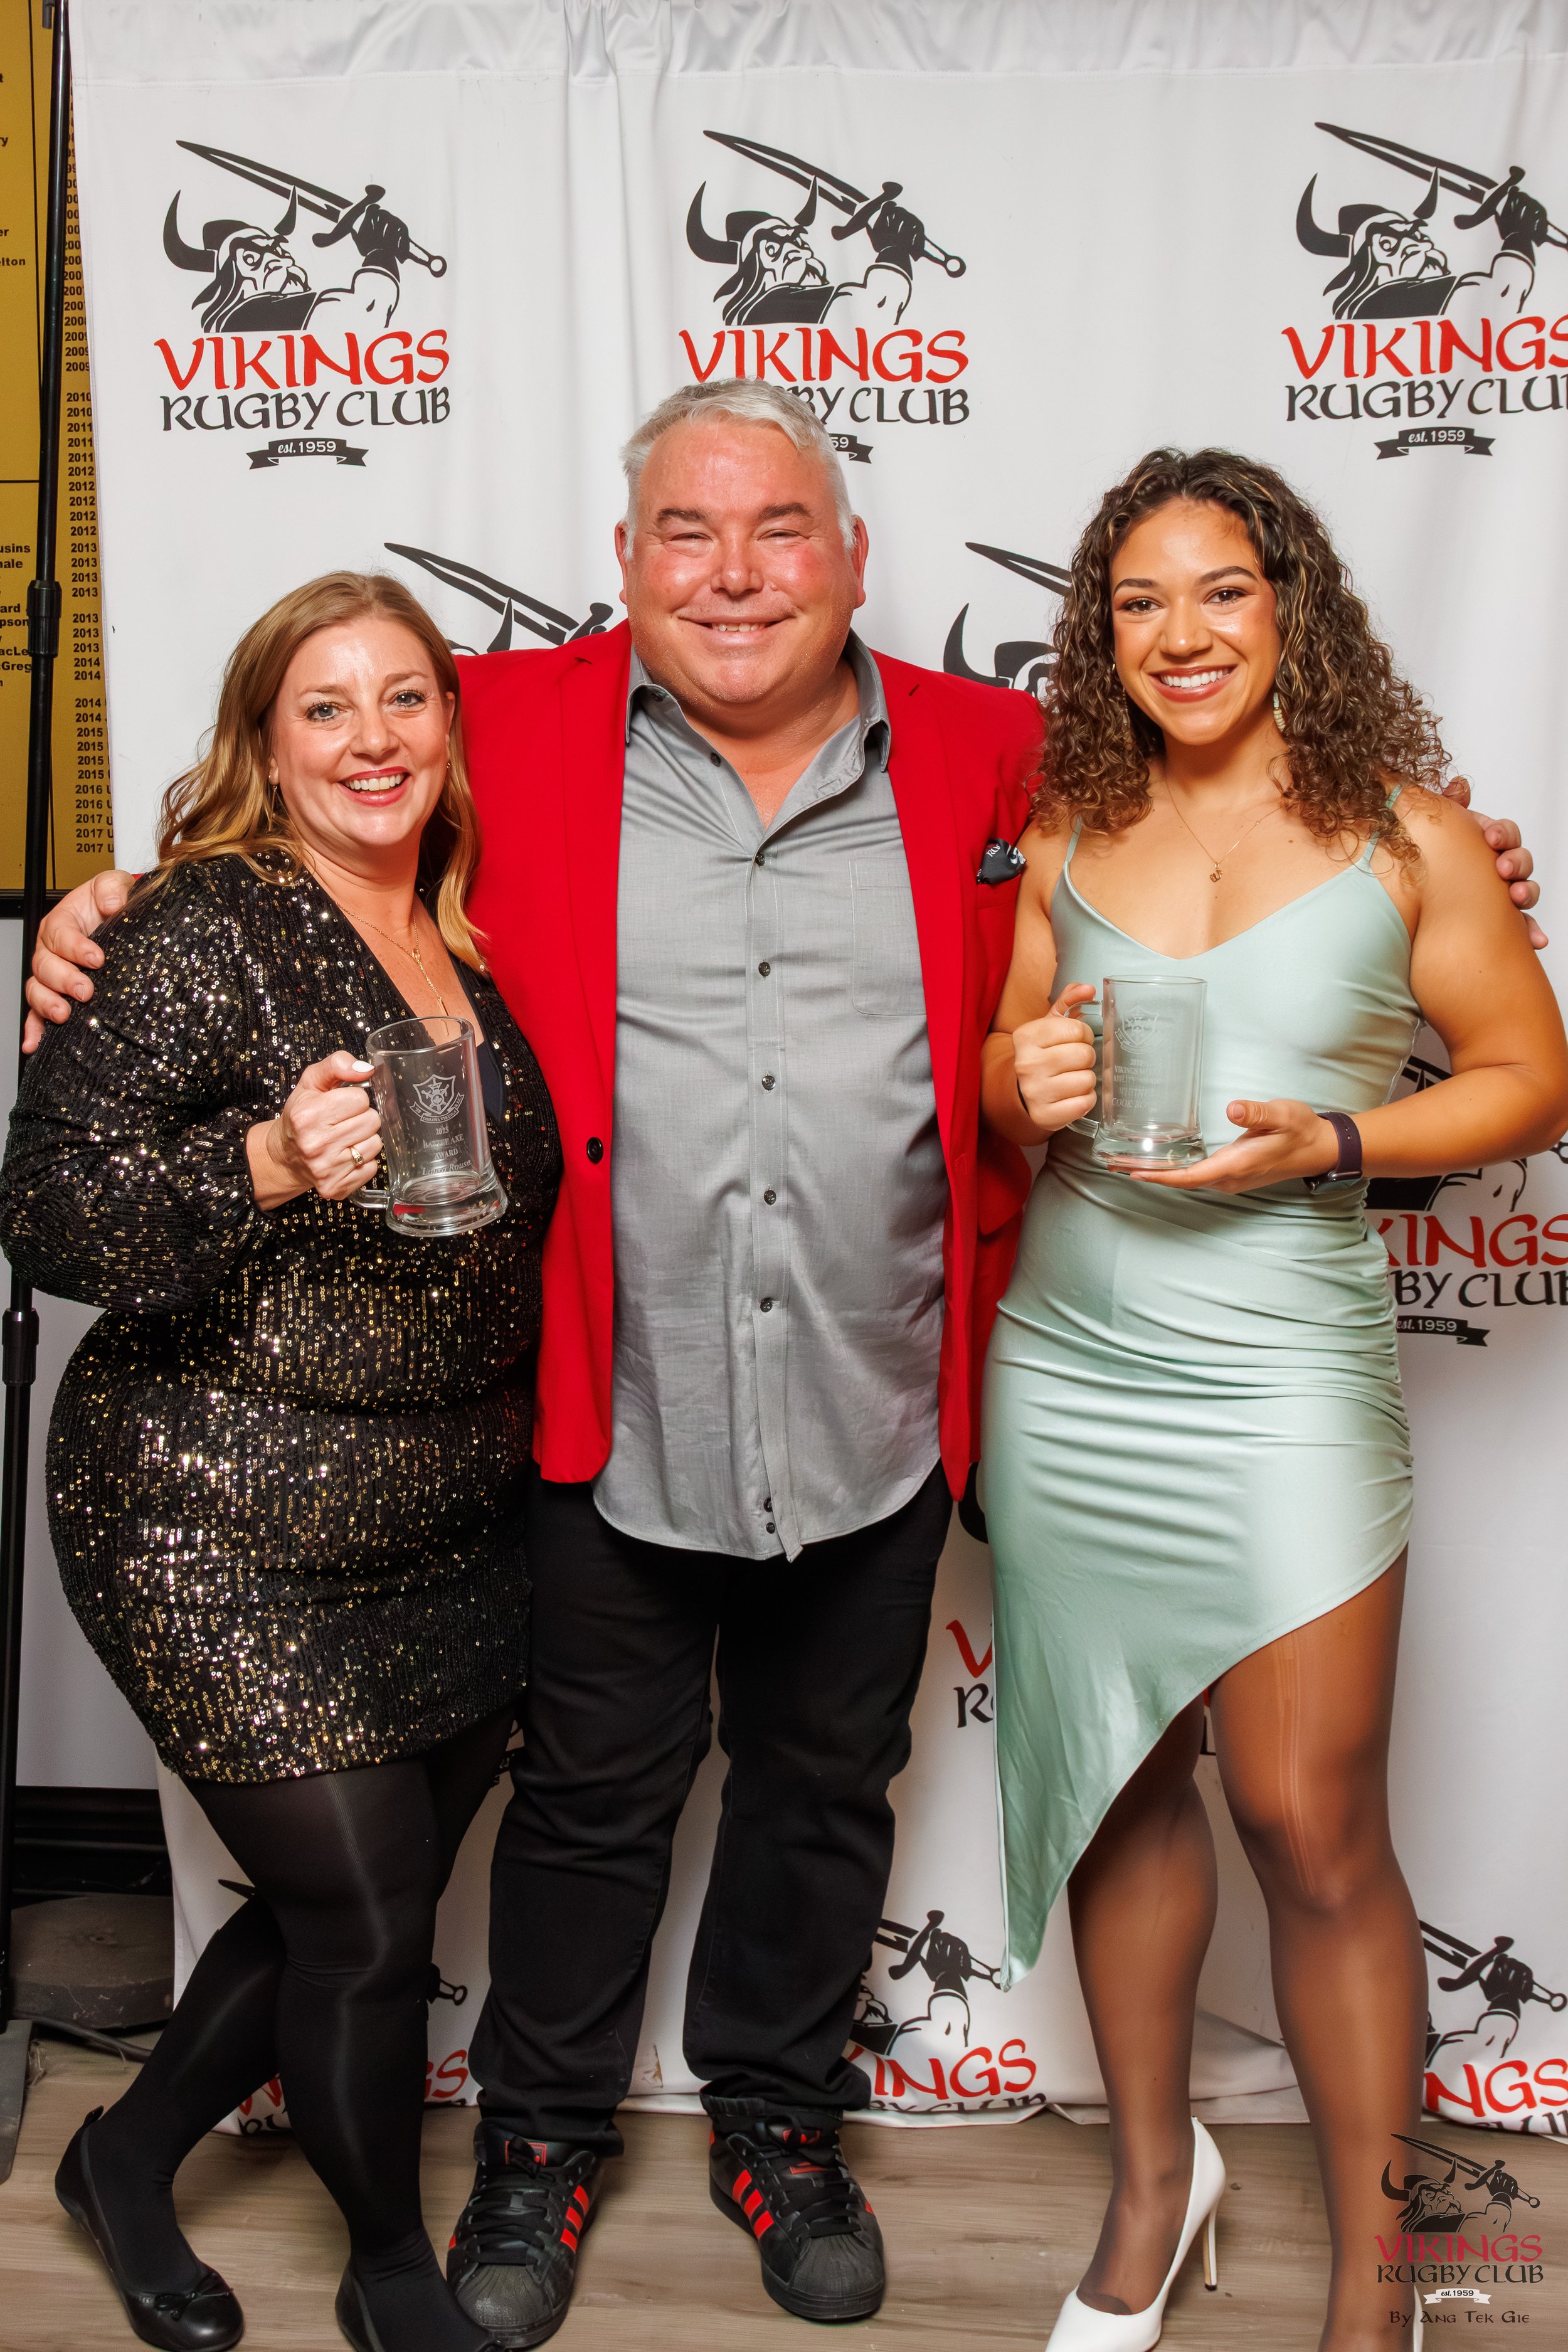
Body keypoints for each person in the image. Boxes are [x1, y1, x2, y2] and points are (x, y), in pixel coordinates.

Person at [24, 391, 1543, 2347]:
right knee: (588, 1802)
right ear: (626, 557)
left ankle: (777, 2124)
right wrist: (115, 893)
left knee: (823, 1791)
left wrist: (1450, 857)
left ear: (849, 554)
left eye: (777, 534)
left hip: (875, 1393)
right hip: (611, 1395)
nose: (731, 575)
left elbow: (1235, 808)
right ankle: (544, 2151)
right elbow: (326, 754)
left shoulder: (1011, 753)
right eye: (683, 534)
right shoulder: (515, 722)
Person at [977, 448, 1568, 2351]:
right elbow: (1007, 1061)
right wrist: (1024, 1083)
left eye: (1219, 590)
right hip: (1071, 1367)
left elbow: (1520, 1079)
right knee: (1113, 1787)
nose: (1181, 634)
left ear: (1287, 604)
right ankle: (1157, 2187)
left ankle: (1385, 2280)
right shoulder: (1067, 830)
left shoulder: (1409, 835)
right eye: (1139, 602)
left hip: (1280, 1373)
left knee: (1312, 1831)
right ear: (1102, 637)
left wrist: (1335, 1136)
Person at [0, 573, 561, 2352]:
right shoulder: (194, 927)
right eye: (325, 708)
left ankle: (128, 2155)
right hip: (211, 1506)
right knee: (367, 1916)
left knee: (353, 1905)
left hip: (446, 1509)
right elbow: (47, 1212)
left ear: (450, 733)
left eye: (405, 700)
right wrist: (255, 1167)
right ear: (263, 742)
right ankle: (393, 2265)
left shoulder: (483, 931)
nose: (372, 740)